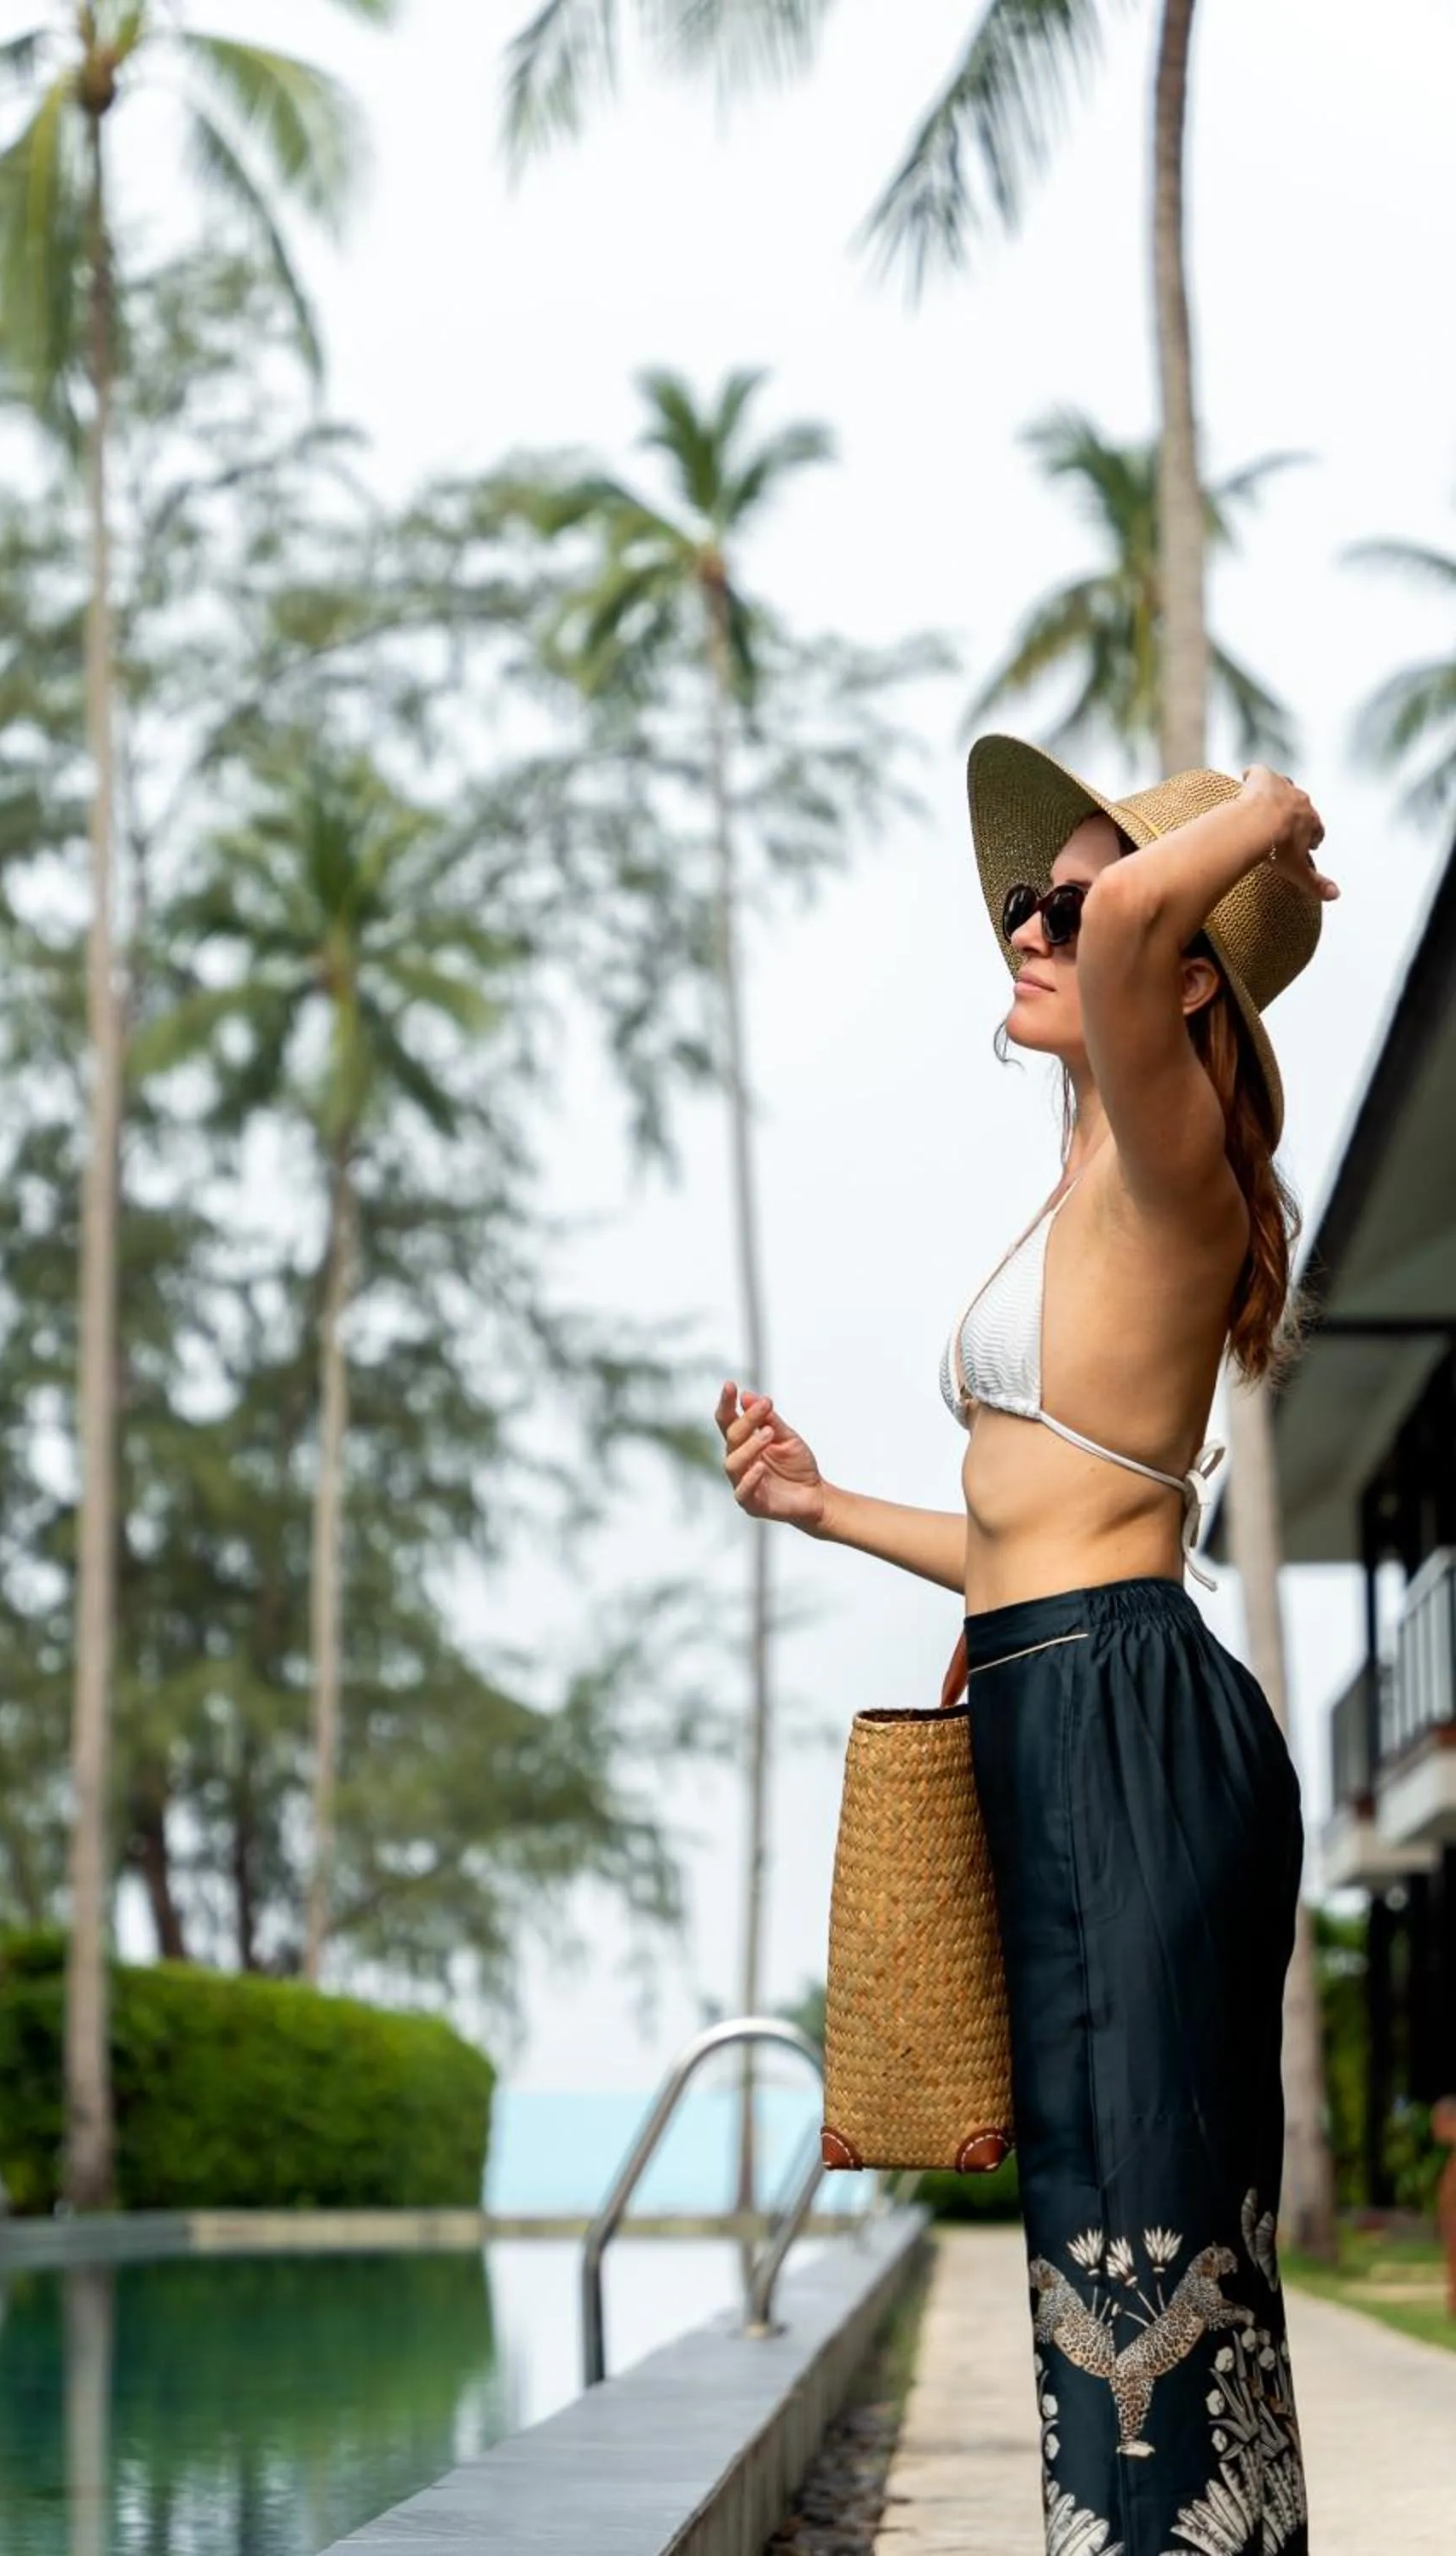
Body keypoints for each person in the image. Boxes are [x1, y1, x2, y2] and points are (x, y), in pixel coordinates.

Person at [715, 738, 1336, 2556]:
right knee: (1094, 2225)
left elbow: (1151, 901)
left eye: (1072, 906)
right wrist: (825, 1507)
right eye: (1020, 905)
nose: (1035, 928)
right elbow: (1017, 1542)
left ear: (1184, 970)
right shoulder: (1081, 1182)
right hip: (1055, 1702)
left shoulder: (1167, 1158)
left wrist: (1271, 820)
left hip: (1128, 1726)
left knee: (1150, 2236)